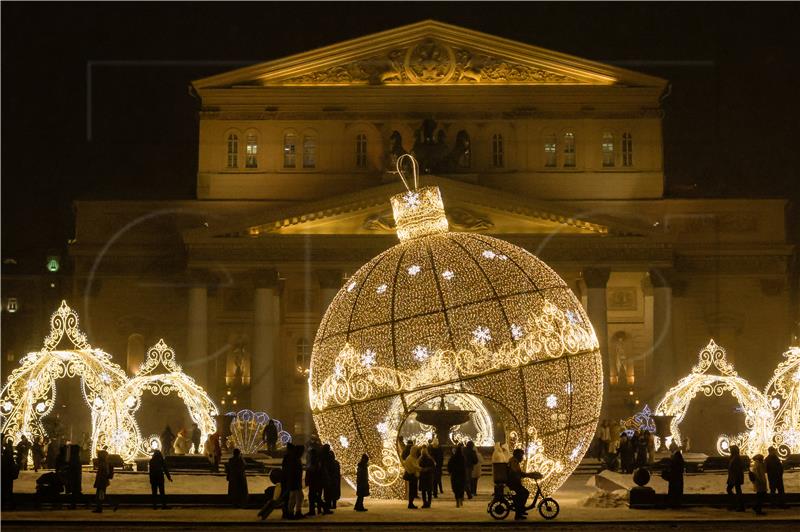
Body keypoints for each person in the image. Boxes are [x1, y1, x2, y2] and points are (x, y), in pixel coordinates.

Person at [508, 448, 537, 520]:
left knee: (523, 493)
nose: (522, 457)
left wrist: (527, 475)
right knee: (524, 493)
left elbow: (519, 473)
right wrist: (526, 475)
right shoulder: (514, 461)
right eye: (521, 455)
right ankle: (519, 512)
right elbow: (515, 472)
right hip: (513, 483)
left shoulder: (515, 461)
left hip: (514, 482)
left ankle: (521, 509)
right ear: (517, 455)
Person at [305, 448, 325, 516]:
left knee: (312, 497)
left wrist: (307, 480)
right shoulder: (318, 461)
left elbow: (312, 471)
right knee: (316, 496)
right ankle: (319, 509)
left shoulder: (314, 461)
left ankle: (314, 510)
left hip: (314, 482)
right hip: (318, 482)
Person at [92, 449, 113, 513]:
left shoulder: (102, 464)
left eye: (98, 455)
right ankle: (100, 507)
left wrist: (98, 482)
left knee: (100, 496)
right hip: (102, 482)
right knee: (101, 495)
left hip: (101, 482)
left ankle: (100, 508)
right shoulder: (105, 463)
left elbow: (102, 474)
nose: (97, 457)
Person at [287, 444, 305, 520]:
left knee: (295, 497)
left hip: (294, 481)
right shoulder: (296, 459)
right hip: (295, 482)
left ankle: (293, 512)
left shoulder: (295, 459)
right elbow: (295, 472)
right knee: (297, 497)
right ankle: (295, 512)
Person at [726, 445, 745, 512]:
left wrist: (735, 478)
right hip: (733, 477)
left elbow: (737, 469)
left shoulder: (736, 458)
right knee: (734, 490)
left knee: (736, 491)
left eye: (731, 450)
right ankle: (737, 505)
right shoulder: (734, 457)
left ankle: (739, 506)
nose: (730, 451)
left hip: (735, 478)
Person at [2, 438, 19, 510]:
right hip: (8, 477)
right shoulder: (10, 459)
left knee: (3, 490)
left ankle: (3, 503)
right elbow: (13, 467)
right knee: (9, 490)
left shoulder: (2, 459)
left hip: (3, 476)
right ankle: (10, 504)